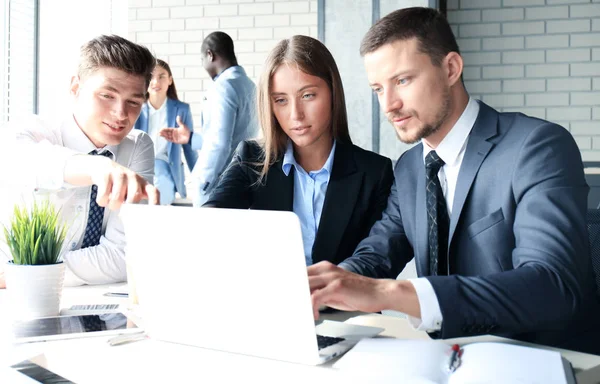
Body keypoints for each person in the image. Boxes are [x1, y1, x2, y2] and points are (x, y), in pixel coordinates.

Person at [308, 7, 600, 354]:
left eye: (402, 80)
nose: (389, 104)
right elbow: (379, 250)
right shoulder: (410, 167)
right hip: (448, 355)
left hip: (543, 357)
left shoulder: (536, 146)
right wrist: (323, 285)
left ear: (450, 69)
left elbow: (552, 286)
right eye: (377, 89)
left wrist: (391, 293)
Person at [205, 35, 394, 267]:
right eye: (281, 100)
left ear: (333, 92)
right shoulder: (252, 159)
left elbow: (377, 261)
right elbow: (208, 222)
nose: (296, 115)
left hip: (344, 302)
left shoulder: (375, 173)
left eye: (307, 95)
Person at [0, 35, 158, 288]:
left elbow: (123, 255)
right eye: (107, 95)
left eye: (133, 102)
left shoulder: (138, 146)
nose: (120, 114)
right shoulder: (31, 131)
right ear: (75, 87)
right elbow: (18, 160)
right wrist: (96, 167)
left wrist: (27, 276)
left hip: (82, 298)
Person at [160, 31, 258, 207]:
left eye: (202, 60)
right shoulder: (250, 86)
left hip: (218, 184)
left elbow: (220, 144)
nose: (203, 65)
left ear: (210, 55)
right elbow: (236, 138)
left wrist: (203, 181)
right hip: (242, 182)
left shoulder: (223, 87)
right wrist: (190, 138)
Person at [134, 59, 198, 205]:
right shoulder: (136, 108)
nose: (156, 82)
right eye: (151, 77)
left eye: (161, 76)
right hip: (139, 167)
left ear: (170, 80)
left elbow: (189, 148)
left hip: (166, 168)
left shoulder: (181, 110)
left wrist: (202, 179)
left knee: (160, 199)